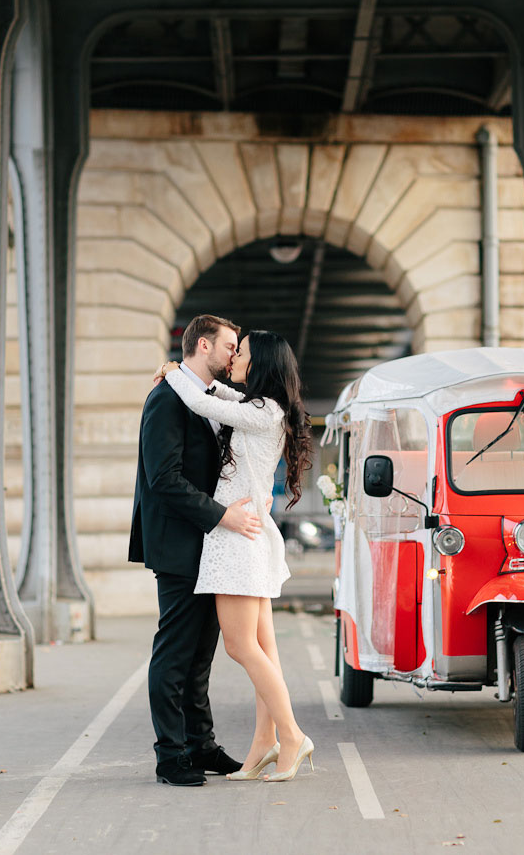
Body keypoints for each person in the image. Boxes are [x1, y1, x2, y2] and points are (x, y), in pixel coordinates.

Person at [156, 329, 314, 782]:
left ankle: (291, 735)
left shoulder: (264, 411)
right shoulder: (260, 407)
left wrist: (174, 373)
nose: (232, 358)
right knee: (264, 648)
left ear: (259, 362)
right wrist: (185, 374)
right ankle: (264, 744)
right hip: (246, 532)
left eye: (239, 352)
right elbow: (219, 394)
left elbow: (206, 403)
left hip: (237, 537)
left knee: (240, 645)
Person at [129, 314, 263, 788]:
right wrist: (221, 516)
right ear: (203, 345)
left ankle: (200, 745)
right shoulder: (165, 399)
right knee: (175, 652)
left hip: (211, 546)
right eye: (230, 345)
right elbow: (163, 479)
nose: (234, 353)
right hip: (180, 544)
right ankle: (170, 755)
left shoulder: (205, 396)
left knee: (201, 654)